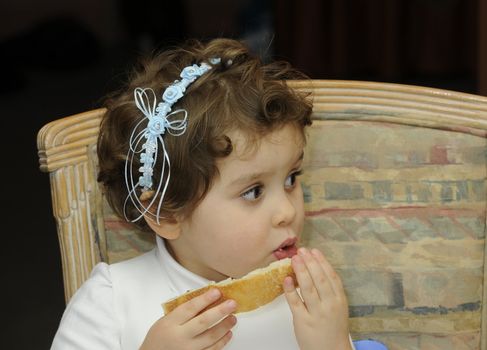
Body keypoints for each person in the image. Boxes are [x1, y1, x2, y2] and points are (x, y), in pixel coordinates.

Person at [51, 38, 362, 350]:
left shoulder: (312, 302)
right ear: (167, 213)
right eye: (253, 192)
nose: (288, 212)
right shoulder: (112, 302)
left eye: (291, 178)